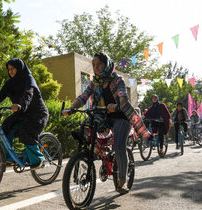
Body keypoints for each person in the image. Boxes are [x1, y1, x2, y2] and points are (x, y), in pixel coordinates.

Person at [62, 52, 150, 194]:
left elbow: (123, 97)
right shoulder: (94, 82)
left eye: (99, 64)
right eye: (94, 65)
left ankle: (122, 180)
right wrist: (72, 108)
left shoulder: (117, 80)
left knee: (119, 145)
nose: (96, 67)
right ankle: (98, 155)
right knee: (85, 130)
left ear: (107, 64)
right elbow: (83, 97)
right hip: (103, 116)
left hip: (121, 117)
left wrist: (116, 105)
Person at [0, 58, 49, 170]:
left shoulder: (28, 79)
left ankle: (38, 159)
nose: (10, 71)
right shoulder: (9, 84)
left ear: (19, 68)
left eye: (13, 68)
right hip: (22, 114)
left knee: (25, 131)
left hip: (37, 114)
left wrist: (21, 105)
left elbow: (28, 94)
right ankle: (8, 156)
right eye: (9, 69)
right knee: (6, 125)